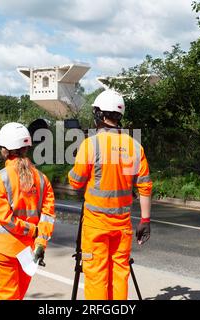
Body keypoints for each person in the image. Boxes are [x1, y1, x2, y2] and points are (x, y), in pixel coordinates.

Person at [68, 90, 152, 300]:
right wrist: (145, 220)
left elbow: (75, 182)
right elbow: (144, 186)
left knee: (97, 275)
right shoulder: (134, 147)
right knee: (119, 274)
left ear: (98, 114)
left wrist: (78, 163)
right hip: (122, 225)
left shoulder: (90, 144)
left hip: (96, 225)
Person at [0, 122, 56, 300]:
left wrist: (33, 231)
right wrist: (41, 243)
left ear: (5, 150)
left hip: (4, 250)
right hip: (29, 252)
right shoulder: (42, 179)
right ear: (26, 148)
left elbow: (5, 218)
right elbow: (47, 217)